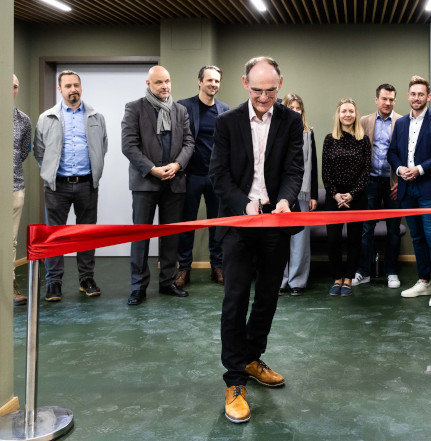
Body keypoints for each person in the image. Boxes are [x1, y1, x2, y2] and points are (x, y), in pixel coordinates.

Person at [209, 56, 303, 424]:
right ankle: (234, 381)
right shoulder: (227, 122)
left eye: (271, 90)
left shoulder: (291, 121)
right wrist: (244, 204)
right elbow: (218, 175)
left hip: (276, 222)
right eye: (257, 90)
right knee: (235, 300)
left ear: (280, 83)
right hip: (239, 223)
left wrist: (285, 199)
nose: (264, 98)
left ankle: (251, 358)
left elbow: (295, 168)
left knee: (266, 297)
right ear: (244, 83)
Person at [121, 65, 194, 306]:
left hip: (174, 181)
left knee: (171, 237)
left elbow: (189, 143)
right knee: (140, 237)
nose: (165, 86)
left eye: (167, 81)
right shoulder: (134, 108)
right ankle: (138, 287)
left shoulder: (180, 110)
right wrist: (151, 169)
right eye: (159, 82)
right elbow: (129, 146)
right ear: (148, 84)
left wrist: (178, 164)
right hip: (145, 182)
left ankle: (167, 282)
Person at [34, 70, 108, 302]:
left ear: (81, 87)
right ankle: (54, 283)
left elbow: (102, 146)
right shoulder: (47, 118)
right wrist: (50, 172)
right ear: (60, 89)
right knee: (55, 236)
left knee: (86, 234)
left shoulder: (96, 116)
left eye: (76, 85)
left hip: (87, 184)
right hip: (57, 186)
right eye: (68, 86)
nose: (73, 89)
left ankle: (86, 279)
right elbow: (39, 151)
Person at [387, 76, 431, 307]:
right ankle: (424, 281)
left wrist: (420, 169)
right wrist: (400, 168)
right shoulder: (402, 123)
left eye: (421, 94)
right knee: (417, 237)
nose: (416, 98)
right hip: (407, 187)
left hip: (429, 187)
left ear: (429, 97)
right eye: (413, 94)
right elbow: (392, 152)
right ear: (408, 96)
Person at [174, 66, 230, 288]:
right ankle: (184, 269)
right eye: (209, 80)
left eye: (216, 81)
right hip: (190, 175)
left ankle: (217, 266)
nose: (213, 84)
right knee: (186, 224)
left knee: (217, 224)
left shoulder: (224, 109)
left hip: (216, 177)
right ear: (199, 81)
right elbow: (178, 139)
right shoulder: (184, 106)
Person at [352, 84, 403, 289]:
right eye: (384, 99)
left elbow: (407, 153)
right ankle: (363, 272)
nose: (388, 103)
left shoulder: (401, 122)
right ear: (376, 100)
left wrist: (401, 181)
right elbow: (357, 154)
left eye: (391, 99)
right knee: (367, 229)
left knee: (393, 229)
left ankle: (391, 272)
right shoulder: (364, 121)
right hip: (370, 182)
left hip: (393, 183)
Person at [321, 98, 371, 297]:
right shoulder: (329, 139)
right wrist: (336, 194)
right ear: (338, 114)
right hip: (334, 197)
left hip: (356, 197)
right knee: (333, 240)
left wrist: (351, 194)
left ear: (355, 114)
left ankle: (348, 278)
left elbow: (366, 171)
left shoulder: (363, 140)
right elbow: (325, 172)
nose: (348, 114)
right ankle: (337, 278)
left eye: (351, 111)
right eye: (344, 111)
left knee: (354, 240)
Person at [278, 93, 318, 296]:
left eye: (298, 107)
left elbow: (313, 166)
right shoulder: (275, 132)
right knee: (279, 239)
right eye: (291, 107)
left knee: (301, 240)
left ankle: (297, 282)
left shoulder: (308, 133)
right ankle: (280, 280)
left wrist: (312, 196)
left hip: (302, 193)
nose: (295, 111)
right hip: (280, 194)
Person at [12, 74, 32, 306]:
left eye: (16, 87)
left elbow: (24, 151)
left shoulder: (23, 120)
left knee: (11, 241)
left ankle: (10, 285)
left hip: (14, 187)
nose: (12, 90)